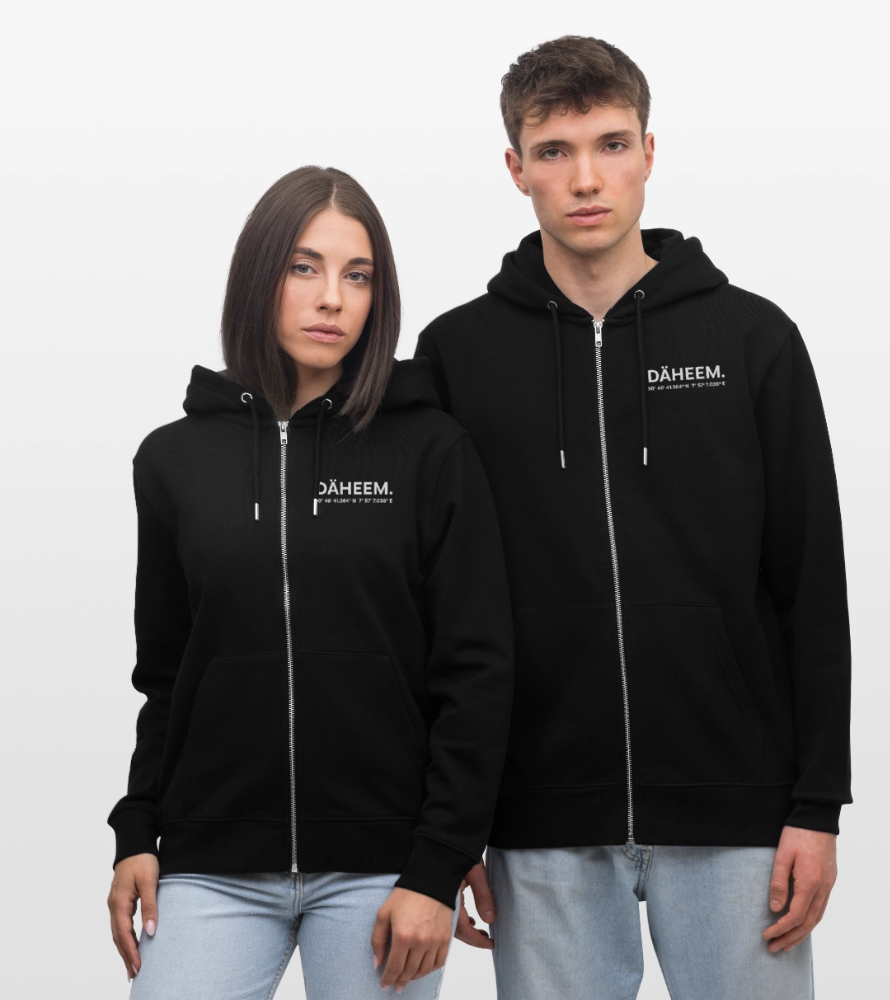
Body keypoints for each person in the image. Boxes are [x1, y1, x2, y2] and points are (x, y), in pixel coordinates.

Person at [416, 36, 851, 1000]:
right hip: (538, 818)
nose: (586, 178)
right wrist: (449, 830)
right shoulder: (457, 356)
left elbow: (811, 582)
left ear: (649, 153)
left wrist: (817, 805)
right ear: (515, 167)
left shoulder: (752, 338)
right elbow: (433, 611)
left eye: (611, 145)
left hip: (739, 812)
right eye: (555, 150)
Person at [106, 166, 514, 999]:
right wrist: (137, 830)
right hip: (211, 863)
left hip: (383, 870)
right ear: (259, 276)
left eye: (357, 276)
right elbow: (169, 675)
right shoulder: (174, 460)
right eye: (304, 267)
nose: (332, 298)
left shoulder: (429, 450)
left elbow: (476, 671)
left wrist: (437, 865)